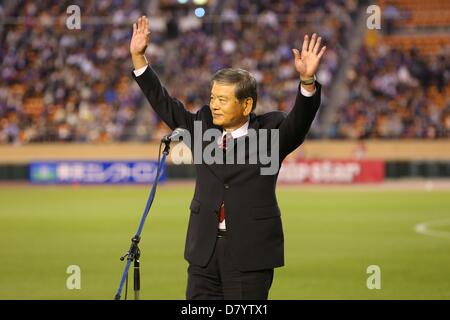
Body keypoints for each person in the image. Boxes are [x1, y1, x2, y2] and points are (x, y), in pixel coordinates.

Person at [130, 16, 326, 300]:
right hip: (203, 255)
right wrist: (138, 57)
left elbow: (300, 121)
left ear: (246, 104)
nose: (215, 105)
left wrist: (307, 82)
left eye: (223, 100)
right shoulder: (202, 127)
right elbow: (164, 103)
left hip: (250, 255)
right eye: (212, 98)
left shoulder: (270, 134)